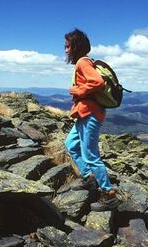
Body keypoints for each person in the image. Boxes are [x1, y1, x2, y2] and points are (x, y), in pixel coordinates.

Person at [64, 28, 120, 211]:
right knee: (71, 144)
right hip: (83, 113)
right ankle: (89, 178)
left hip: (91, 114)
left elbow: (97, 82)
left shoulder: (82, 62)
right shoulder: (82, 62)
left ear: (76, 46)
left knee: (90, 154)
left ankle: (108, 194)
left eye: (67, 46)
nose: (65, 50)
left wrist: (77, 91)